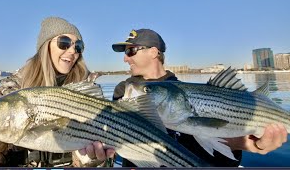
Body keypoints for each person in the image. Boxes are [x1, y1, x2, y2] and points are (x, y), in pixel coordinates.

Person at [109, 28, 288, 167]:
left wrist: (246, 145)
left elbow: (204, 144)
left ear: (154, 52)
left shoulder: (180, 93)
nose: (125, 59)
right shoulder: (125, 90)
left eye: (131, 51)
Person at [0, 16, 113, 167]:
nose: (72, 51)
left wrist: (91, 161)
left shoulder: (88, 89)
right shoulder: (12, 88)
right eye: (64, 43)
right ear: (45, 46)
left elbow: (100, 156)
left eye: (78, 46)